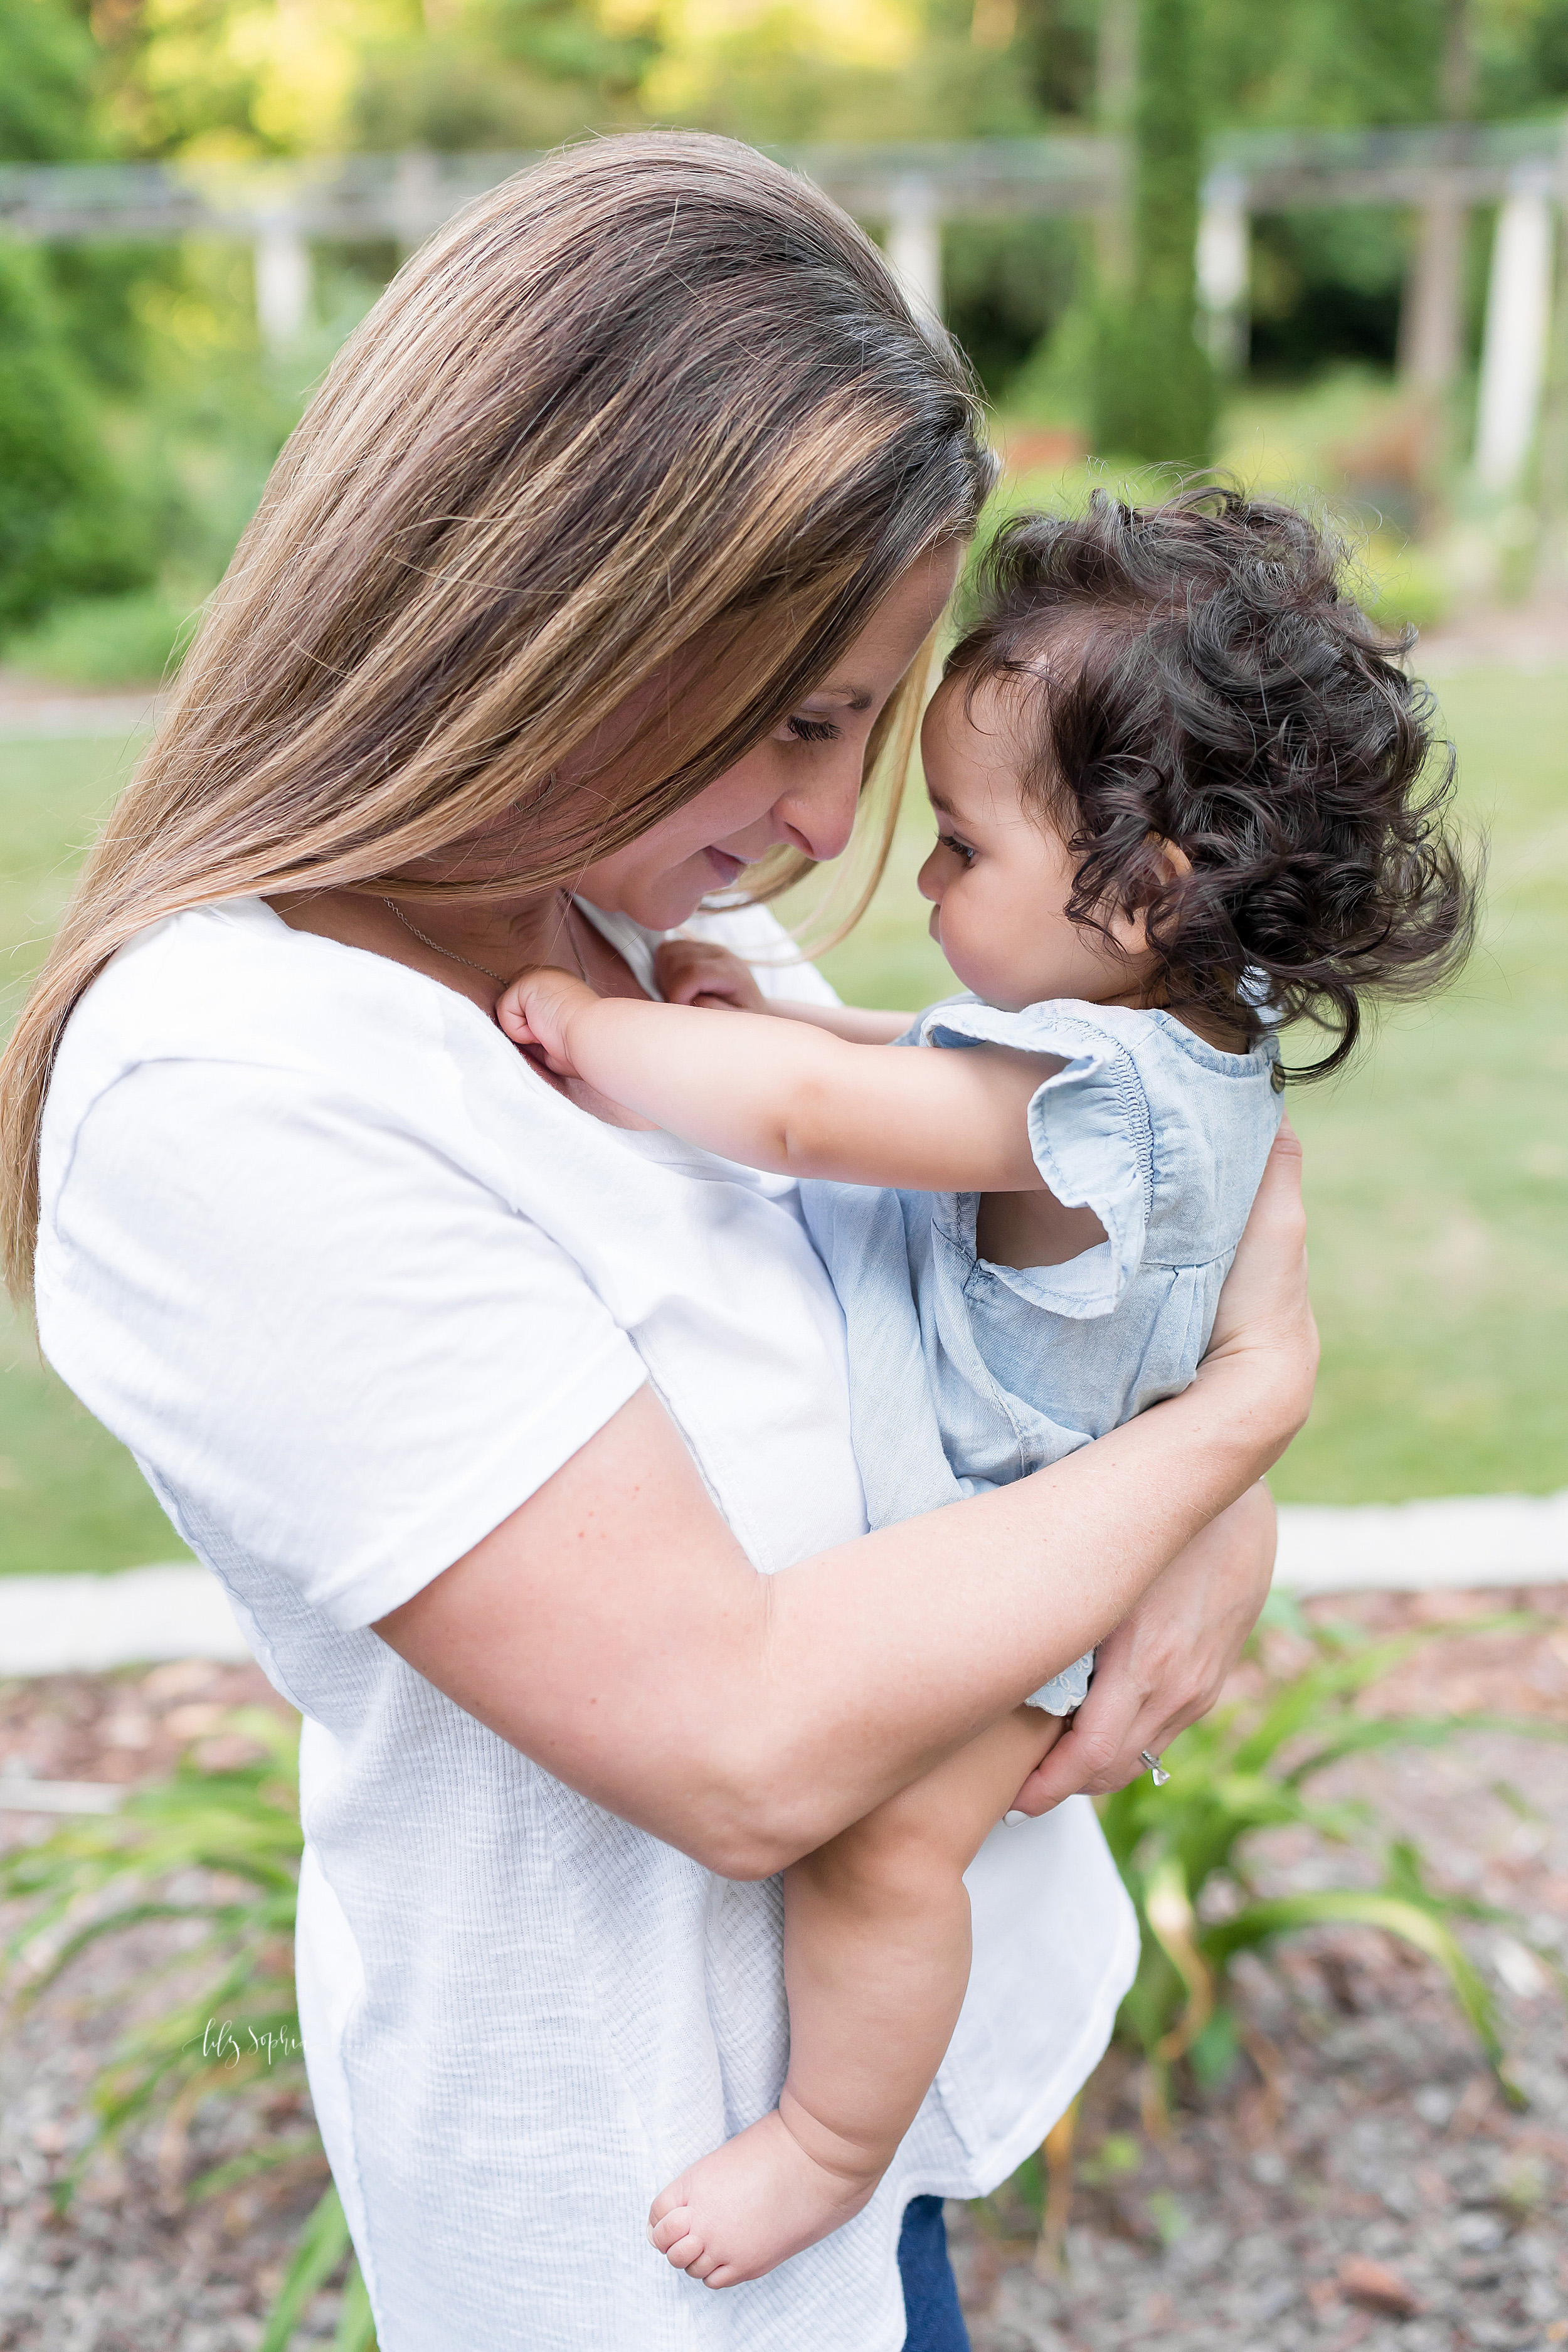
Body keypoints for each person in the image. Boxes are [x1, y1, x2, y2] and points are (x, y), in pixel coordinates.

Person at [0, 135, 1316, 2352]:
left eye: (868, 722)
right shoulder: (233, 1093)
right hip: (631, 2222)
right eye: (796, 715)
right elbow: (741, 1747)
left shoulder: (616, 916)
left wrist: (1214, 1479)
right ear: (539, 604)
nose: (827, 823)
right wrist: (1239, 1428)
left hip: (868, 2115)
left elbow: (1121, 1152)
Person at [499, 487, 1477, 2290]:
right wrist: (787, 1020)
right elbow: (914, 1065)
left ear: (1139, 888)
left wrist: (608, 1037)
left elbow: (830, 1126)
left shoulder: (1079, 1108)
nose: (921, 880)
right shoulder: (1189, 1030)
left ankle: (829, 2139)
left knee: (882, 1853)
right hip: (1059, 1530)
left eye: (957, 848)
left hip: (998, 1574)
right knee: (887, 1852)